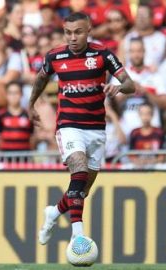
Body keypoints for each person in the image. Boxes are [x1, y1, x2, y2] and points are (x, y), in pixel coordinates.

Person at [29, 12, 135, 244]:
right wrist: (31, 104)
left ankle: (54, 212)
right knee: (79, 170)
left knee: (80, 191)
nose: (72, 37)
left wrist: (118, 87)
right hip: (69, 125)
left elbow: (130, 84)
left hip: (96, 129)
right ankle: (78, 238)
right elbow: (40, 79)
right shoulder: (55, 56)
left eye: (78, 32)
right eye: (68, 32)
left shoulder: (102, 54)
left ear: (88, 31)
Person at [0, 81, 34, 152]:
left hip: (24, 158)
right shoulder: (1, 115)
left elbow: (32, 137)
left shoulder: (28, 114)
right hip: (6, 158)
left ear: (21, 94)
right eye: (10, 93)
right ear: (6, 95)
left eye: (16, 93)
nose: (13, 96)